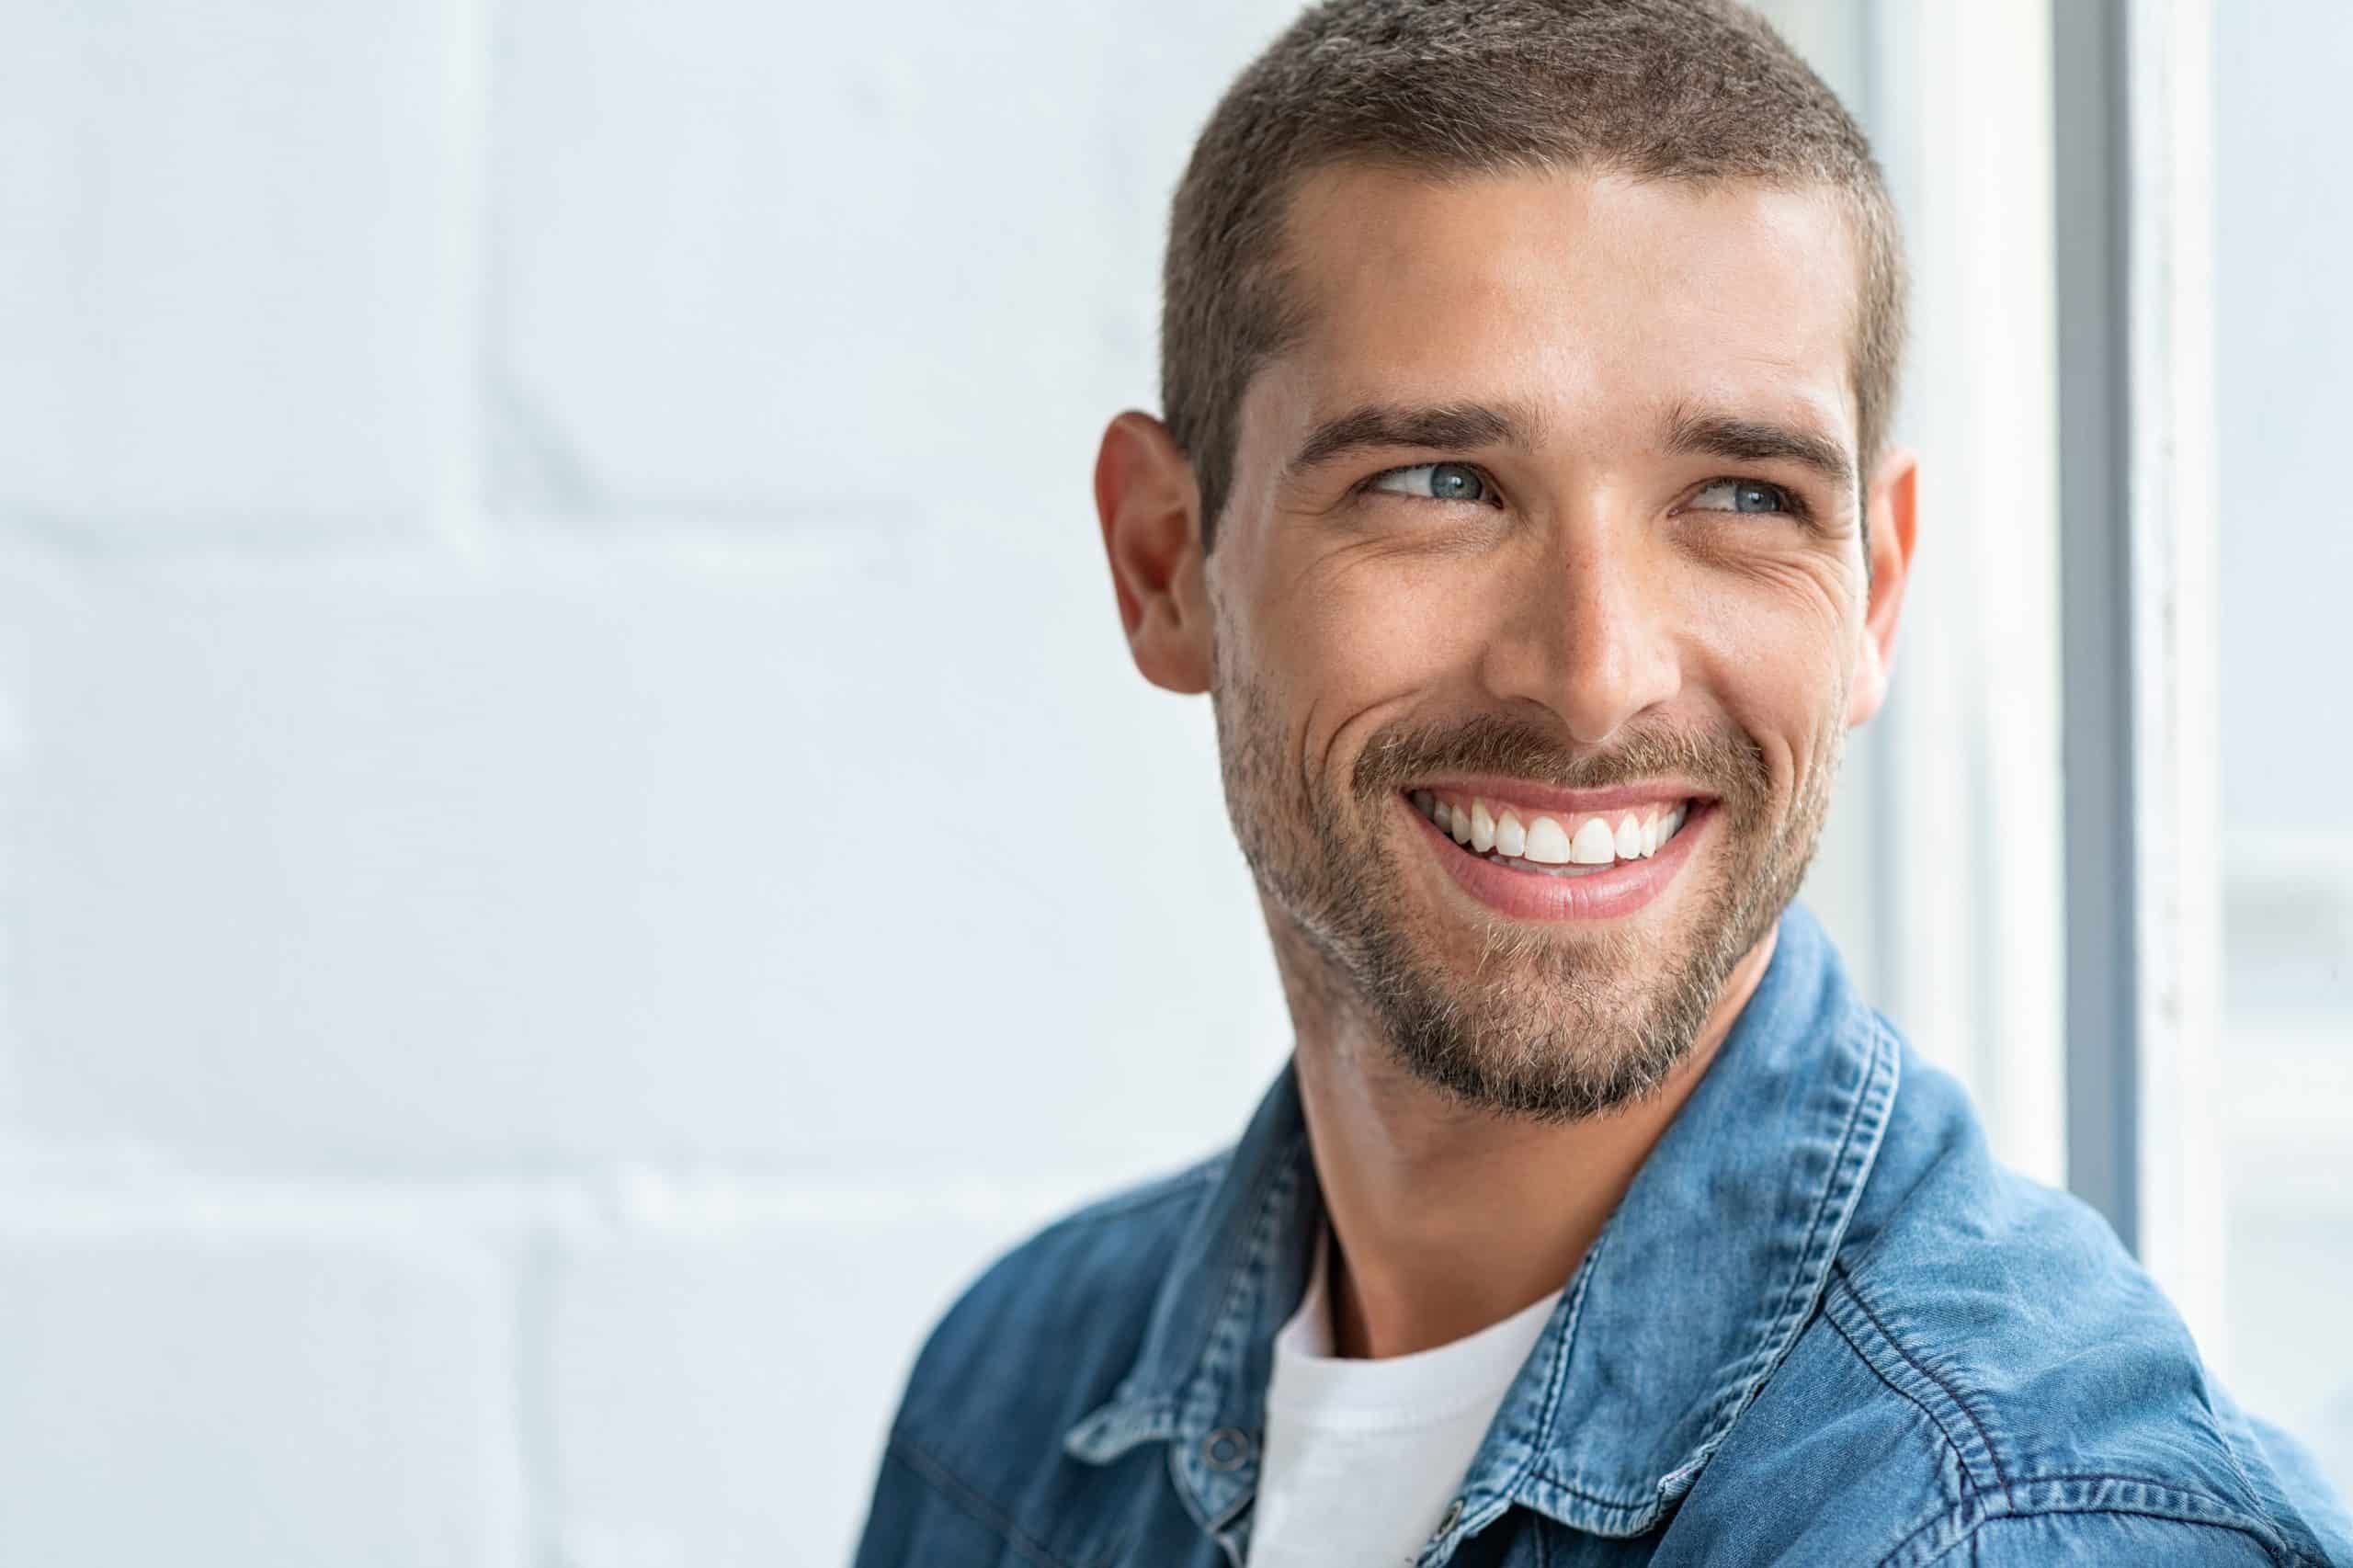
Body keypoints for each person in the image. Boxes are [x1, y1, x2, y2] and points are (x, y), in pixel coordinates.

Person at [852, 2, 2352, 1562]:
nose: (1591, 673)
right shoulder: (1009, 1412)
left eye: (1741, 497)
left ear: (1873, 598)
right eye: (1440, 484)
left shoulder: (2000, 1527)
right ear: (1167, 563)